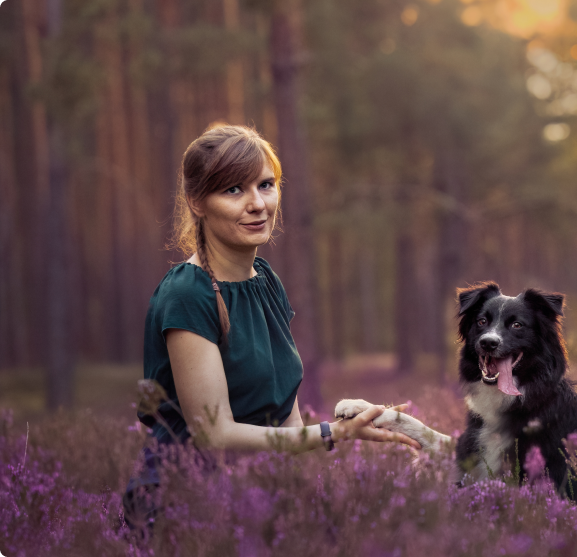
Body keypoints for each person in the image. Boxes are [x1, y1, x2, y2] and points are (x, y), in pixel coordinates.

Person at [123, 124, 420, 530]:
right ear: (197, 202)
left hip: (255, 496)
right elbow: (215, 436)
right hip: (185, 506)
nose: (257, 203)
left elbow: (288, 429)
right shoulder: (188, 295)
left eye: (265, 185)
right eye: (233, 190)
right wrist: (334, 433)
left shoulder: (265, 282)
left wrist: (356, 428)